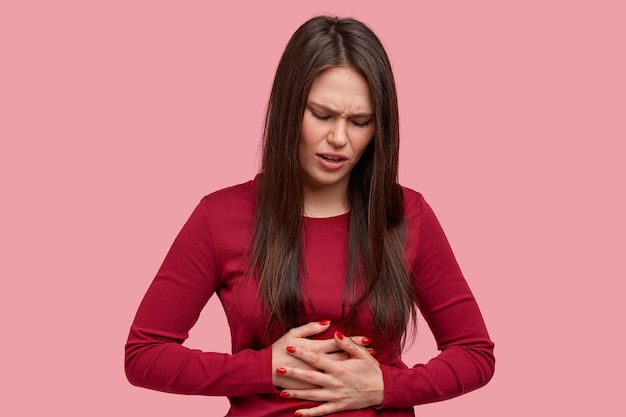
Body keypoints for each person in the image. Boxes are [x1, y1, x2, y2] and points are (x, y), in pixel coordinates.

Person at [125, 15, 495, 417]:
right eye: (322, 115)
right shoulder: (221, 216)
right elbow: (144, 356)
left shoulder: (407, 215)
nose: (339, 138)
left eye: (360, 122)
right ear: (289, 110)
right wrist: (265, 369)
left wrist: (386, 387)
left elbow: (475, 354)